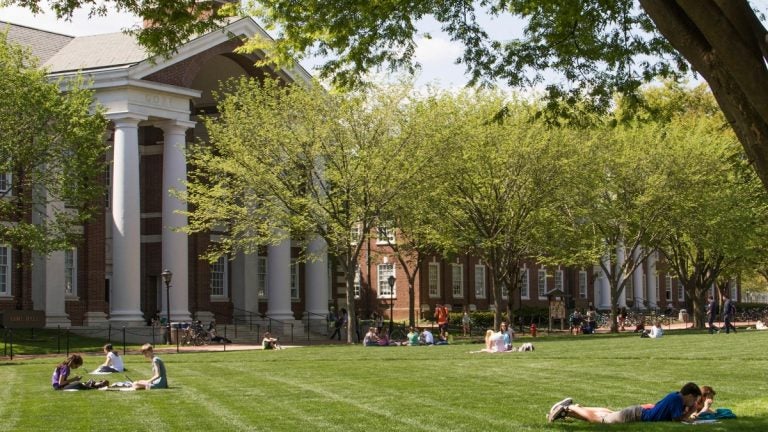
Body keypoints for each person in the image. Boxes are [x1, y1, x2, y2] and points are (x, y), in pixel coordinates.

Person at [547, 382, 702, 423]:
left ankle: (571, 410)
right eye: (694, 399)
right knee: (602, 420)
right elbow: (676, 419)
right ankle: (569, 408)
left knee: (606, 413)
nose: (694, 401)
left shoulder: (674, 396)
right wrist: (690, 411)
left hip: (638, 412)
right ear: (688, 395)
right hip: (637, 415)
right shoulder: (678, 400)